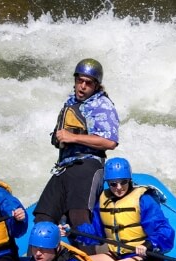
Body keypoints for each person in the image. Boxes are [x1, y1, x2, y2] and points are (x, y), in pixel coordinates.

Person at [73, 157, 176, 261]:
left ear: (129, 180)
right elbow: (96, 231)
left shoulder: (144, 200)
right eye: (113, 184)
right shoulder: (103, 200)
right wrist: (73, 231)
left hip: (143, 258)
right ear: (108, 183)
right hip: (116, 255)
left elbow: (164, 231)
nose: (119, 187)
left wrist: (149, 244)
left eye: (123, 182)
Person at [33, 58, 120, 235]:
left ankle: (90, 260)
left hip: (87, 166)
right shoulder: (71, 102)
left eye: (88, 83)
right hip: (64, 167)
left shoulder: (102, 105)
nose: (82, 86)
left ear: (96, 86)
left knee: (78, 216)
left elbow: (110, 141)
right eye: (79, 80)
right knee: (43, 216)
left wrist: (73, 137)